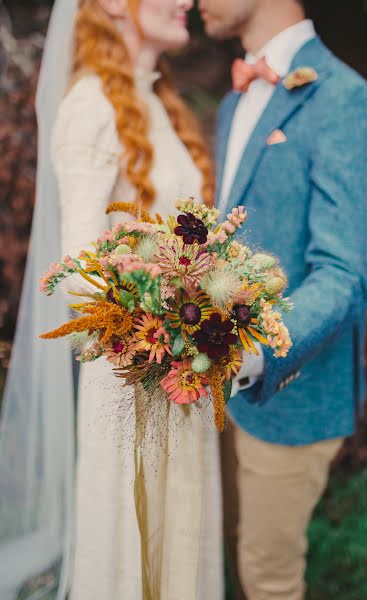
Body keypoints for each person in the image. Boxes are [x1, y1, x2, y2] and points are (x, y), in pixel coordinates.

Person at [0, 1, 223, 599]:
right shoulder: (92, 106)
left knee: (182, 547)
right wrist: (174, 304)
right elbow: (77, 272)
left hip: (186, 376)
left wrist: (225, 300)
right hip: (132, 381)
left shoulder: (157, 105)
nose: (187, 2)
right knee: (134, 551)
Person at [200, 0, 367, 598]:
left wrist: (254, 352)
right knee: (225, 552)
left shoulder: (346, 100)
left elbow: (342, 273)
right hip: (217, 389)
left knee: (269, 579)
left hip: (291, 387)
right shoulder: (234, 101)